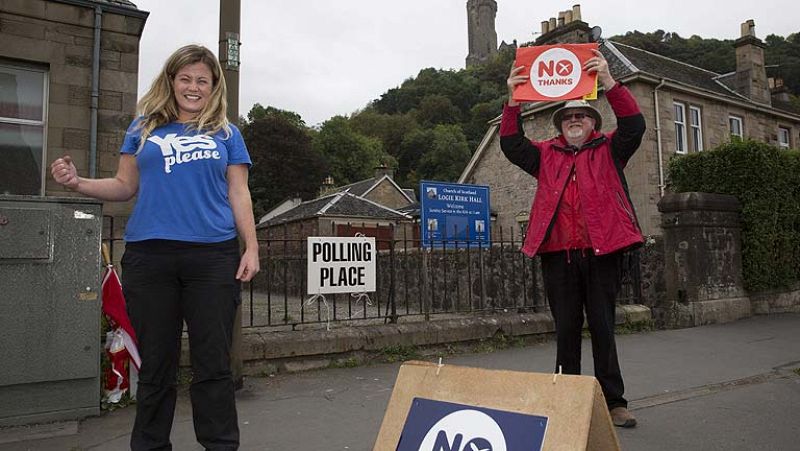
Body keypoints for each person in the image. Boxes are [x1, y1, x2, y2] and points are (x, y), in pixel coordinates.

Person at [51, 44, 259, 450]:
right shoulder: (142, 128)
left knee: (213, 364)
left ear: (214, 86)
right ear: (171, 81)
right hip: (151, 258)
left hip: (212, 258)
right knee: (155, 367)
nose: (193, 87)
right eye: (185, 78)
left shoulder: (227, 133)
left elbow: (239, 191)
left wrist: (250, 247)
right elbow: (124, 185)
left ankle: (220, 445)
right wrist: (79, 183)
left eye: (202, 80)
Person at [500, 49, 645, 428]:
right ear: (560, 124)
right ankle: (565, 398)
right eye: (568, 116)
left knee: (602, 326)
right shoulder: (545, 155)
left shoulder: (611, 149)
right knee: (566, 328)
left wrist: (610, 82)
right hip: (558, 255)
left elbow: (635, 126)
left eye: (581, 114)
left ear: (592, 122)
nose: (575, 119)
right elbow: (511, 145)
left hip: (602, 253)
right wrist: (513, 100)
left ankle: (614, 401)